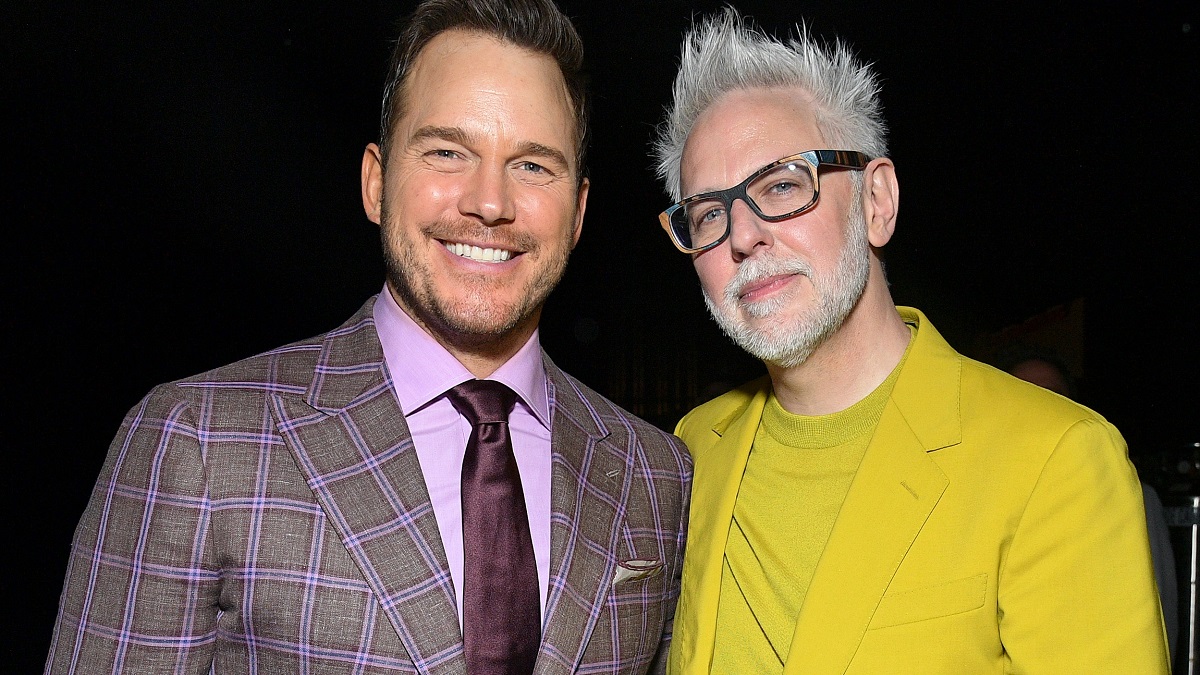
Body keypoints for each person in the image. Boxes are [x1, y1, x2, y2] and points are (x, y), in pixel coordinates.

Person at [46, 1, 691, 673]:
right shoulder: (199, 441)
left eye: (532, 165)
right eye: (447, 151)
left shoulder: (656, 475)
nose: (490, 202)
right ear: (376, 183)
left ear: (579, 210)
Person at [652, 9, 1168, 674]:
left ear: (877, 201)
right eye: (709, 213)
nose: (744, 235)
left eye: (782, 184)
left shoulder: (1056, 461)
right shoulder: (690, 450)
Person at [1004, 353, 1179, 662]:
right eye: (1024, 392)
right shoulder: (978, 499)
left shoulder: (1125, 489)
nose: (1039, 405)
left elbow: (1159, 609)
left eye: (1053, 395)